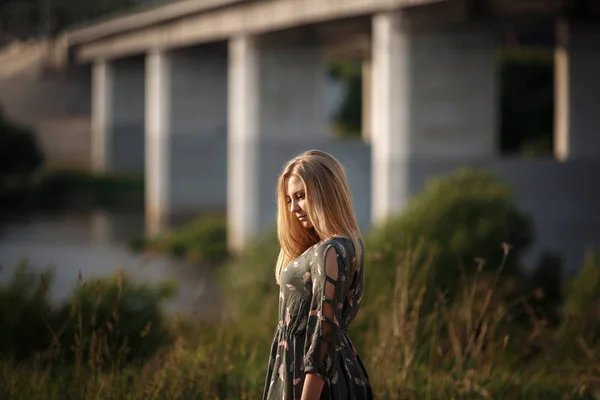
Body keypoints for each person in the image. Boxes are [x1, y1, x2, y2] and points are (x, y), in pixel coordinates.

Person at [262, 149, 373, 400]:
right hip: (314, 373)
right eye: (289, 199)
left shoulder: (330, 251)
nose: (293, 208)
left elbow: (324, 335)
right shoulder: (345, 246)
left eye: (301, 196)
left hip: (313, 383)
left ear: (325, 193)